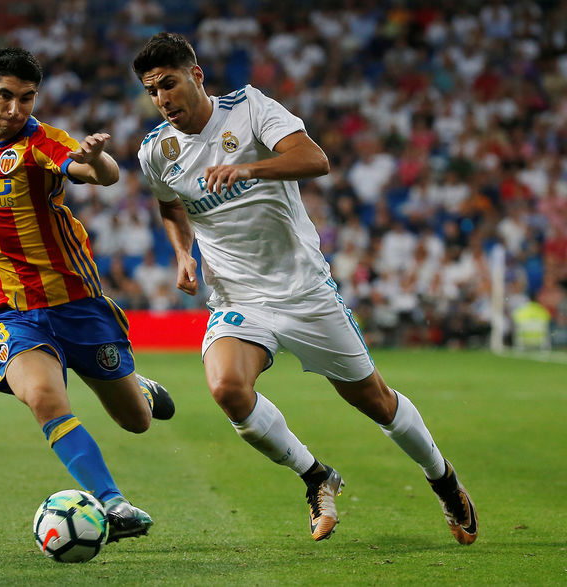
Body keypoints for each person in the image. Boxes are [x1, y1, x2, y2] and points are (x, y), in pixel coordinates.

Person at [133, 33, 477, 545]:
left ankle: (443, 479)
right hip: (238, 297)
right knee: (227, 388)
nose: (162, 99)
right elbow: (168, 206)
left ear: (196, 75)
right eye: (152, 90)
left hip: (304, 290)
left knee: (376, 401)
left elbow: (315, 159)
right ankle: (316, 476)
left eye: (169, 84)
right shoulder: (156, 151)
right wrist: (184, 253)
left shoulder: (249, 108)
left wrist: (248, 167)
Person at [0, 47, 174, 543]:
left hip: (73, 300)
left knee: (136, 422)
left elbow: (99, 175)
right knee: (42, 396)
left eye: (27, 99)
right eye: (6, 97)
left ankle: (139, 389)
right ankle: (113, 503)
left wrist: (96, 162)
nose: (15, 110)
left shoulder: (42, 142)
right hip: (6, 308)